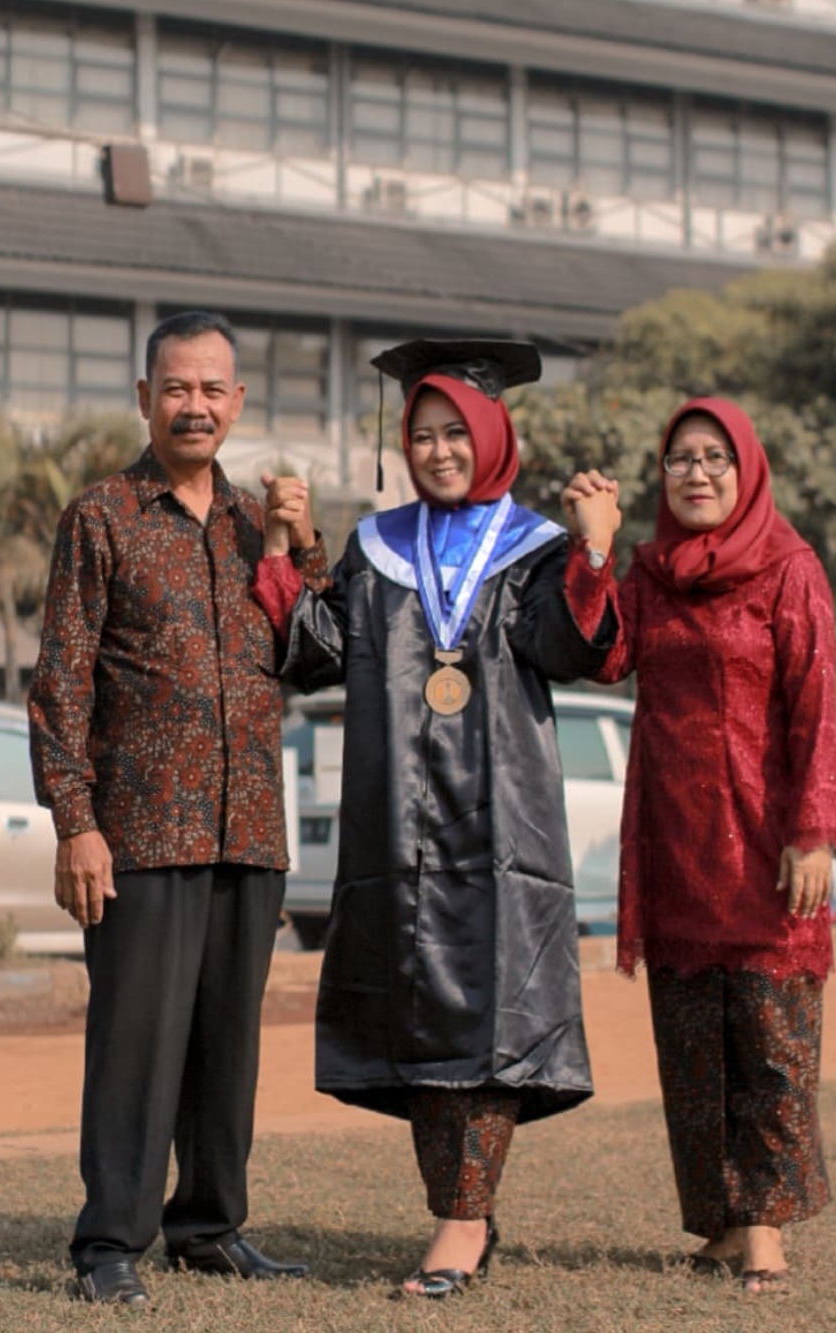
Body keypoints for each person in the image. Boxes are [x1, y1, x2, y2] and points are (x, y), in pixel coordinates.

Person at [256, 338, 617, 1297]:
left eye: (459, 431)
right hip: (400, 824)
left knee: (492, 1009)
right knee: (420, 1012)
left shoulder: (536, 548)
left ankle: (461, 1223)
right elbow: (315, 651)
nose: (440, 449)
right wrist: (293, 546)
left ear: (495, 434)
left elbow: (573, 646)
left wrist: (593, 546)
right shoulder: (378, 550)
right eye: (423, 433)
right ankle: (466, 1212)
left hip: (505, 826)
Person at [28, 309, 324, 1306]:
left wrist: (303, 546)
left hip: (249, 827)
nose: (194, 405)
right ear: (145, 397)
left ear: (237, 404)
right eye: (177, 387)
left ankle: (210, 1223)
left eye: (213, 389)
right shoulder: (102, 516)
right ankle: (110, 1240)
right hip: (143, 828)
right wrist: (76, 820)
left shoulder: (256, 526)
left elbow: (313, 657)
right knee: (134, 1045)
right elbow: (60, 683)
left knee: (226, 1041)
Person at [563, 397, 836, 1296]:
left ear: (747, 467)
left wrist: (813, 831)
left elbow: (816, 710)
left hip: (765, 846)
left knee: (769, 1038)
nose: (697, 473)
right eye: (680, 458)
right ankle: (721, 1218)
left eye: (715, 456)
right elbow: (604, 656)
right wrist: (596, 550)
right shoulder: (649, 574)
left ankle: (764, 1226)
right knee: (691, 1046)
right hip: (678, 844)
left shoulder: (789, 570)